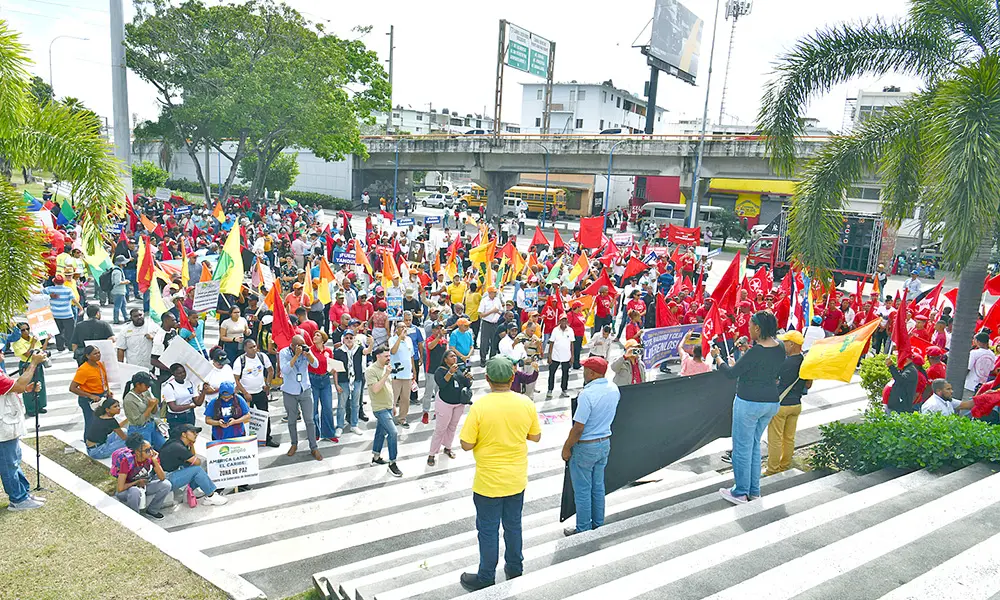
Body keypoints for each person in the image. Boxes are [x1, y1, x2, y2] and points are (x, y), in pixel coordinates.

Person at [458, 356, 541, 591]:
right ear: (513, 377)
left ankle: (486, 576)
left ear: (487, 379)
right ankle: (515, 568)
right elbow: (535, 436)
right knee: (514, 525)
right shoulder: (526, 403)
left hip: (488, 482)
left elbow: (466, 444)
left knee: (488, 529)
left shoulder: (481, 406)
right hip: (516, 479)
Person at [711, 311, 786, 505]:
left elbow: (731, 373)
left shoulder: (756, 351)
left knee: (742, 448)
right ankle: (754, 490)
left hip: (749, 402)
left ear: (758, 328)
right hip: (771, 402)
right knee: (753, 446)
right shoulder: (780, 347)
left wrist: (718, 358)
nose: (748, 329)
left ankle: (740, 492)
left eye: (751, 326)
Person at [561, 357, 619, 536]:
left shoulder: (587, 395)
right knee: (598, 486)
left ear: (592, 373)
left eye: (585, 369)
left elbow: (578, 427)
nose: (583, 372)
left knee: (583, 490)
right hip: (604, 443)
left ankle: (584, 528)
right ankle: (598, 523)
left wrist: (566, 447)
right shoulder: (613, 389)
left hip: (586, 446)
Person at [1, 350, 47, 511]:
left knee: (14, 460)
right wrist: (33, 363)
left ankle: (23, 493)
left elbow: (14, 388)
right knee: (9, 464)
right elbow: (17, 385)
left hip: (7, 426)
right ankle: (18, 499)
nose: (2, 353)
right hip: (3, 429)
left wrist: (26, 388)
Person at [766, 331, 812, 476]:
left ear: (792, 344)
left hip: (781, 404)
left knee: (775, 439)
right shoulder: (806, 362)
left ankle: (772, 469)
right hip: (796, 404)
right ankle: (784, 465)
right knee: (789, 438)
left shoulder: (784, 362)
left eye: (785, 342)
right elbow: (809, 385)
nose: (783, 344)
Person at [157, 424, 228, 506]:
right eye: (193, 432)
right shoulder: (178, 447)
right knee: (198, 470)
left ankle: (191, 490)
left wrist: (192, 445)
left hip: (171, 474)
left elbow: (193, 460)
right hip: (166, 479)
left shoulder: (176, 442)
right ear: (184, 434)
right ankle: (210, 496)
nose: (196, 434)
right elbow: (197, 462)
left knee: (199, 466)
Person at [279, 334, 323, 461]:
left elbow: (316, 365)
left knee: (310, 420)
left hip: (305, 390)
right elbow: (285, 370)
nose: (303, 347)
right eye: (300, 346)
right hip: (289, 391)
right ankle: (294, 444)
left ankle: (314, 447)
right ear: (293, 345)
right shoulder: (284, 352)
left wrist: (308, 355)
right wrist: (296, 356)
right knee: (292, 420)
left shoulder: (306, 351)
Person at [111, 433, 172, 519]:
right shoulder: (127, 461)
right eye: (147, 450)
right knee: (134, 491)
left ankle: (152, 510)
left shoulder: (150, 458)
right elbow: (120, 488)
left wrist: (155, 462)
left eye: (151, 448)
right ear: (137, 452)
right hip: (127, 491)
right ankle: (135, 517)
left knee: (166, 485)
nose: (150, 452)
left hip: (143, 486)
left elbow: (162, 477)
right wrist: (137, 482)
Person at [428, 350, 472, 466]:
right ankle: (432, 454)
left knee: (452, 427)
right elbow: (442, 384)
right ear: (445, 359)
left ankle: (448, 447)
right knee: (440, 429)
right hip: (444, 402)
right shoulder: (440, 371)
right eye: (451, 356)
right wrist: (450, 373)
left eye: (455, 356)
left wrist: (468, 378)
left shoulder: (459, 369)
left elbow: (466, 384)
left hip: (458, 403)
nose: (454, 358)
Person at [365, 346, 403, 477]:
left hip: (387, 406)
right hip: (379, 408)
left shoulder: (386, 368)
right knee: (393, 432)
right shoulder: (371, 371)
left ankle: (376, 456)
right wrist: (386, 374)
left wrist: (393, 405)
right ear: (378, 356)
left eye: (389, 356)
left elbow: (389, 388)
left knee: (380, 432)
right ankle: (393, 463)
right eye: (386, 356)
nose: (388, 358)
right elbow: (375, 389)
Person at [69, 345, 111, 435]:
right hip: (88, 399)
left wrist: (107, 391)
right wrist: (90, 396)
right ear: (88, 356)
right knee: (91, 423)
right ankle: (89, 444)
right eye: (95, 353)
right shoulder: (83, 369)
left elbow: (103, 379)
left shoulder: (100, 364)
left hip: (101, 396)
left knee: (102, 422)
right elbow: (72, 388)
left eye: (99, 353)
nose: (98, 355)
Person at [333, 329, 368, 435]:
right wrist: (336, 384)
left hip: (356, 380)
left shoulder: (358, 348)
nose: (349, 340)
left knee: (356, 403)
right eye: (347, 338)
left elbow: (367, 351)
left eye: (351, 338)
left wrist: (370, 344)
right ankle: (339, 426)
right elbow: (335, 369)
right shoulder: (339, 351)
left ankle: (354, 425)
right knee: (342, 405)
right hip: (344, 380)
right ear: (343, 339)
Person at [11, 323, 48, 417]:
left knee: (40, 384)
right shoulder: (17, 342)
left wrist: (47, 340)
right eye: (23, 330)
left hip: (37, 363)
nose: (26, 332)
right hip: (27, 364)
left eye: (27, 329)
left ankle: (40, 406)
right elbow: (27, 354)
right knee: (28, 385)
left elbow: (41, 349)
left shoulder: (33, 338)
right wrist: (32, 343)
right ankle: (30, 408)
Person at [307, 330, 338, 442]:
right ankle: (315, 433)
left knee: (327, 407)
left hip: (325, 379)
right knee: (313, 408)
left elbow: (331, 366)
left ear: (323, 339)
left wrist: (336, 382)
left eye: (317, 335)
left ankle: (329, 433)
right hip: (313, 379)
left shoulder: (328, 351)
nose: (315, 336)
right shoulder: (310, 350)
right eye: (314, 335)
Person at [122, 371, 165, 451]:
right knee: (145, 452)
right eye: (146, 385)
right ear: (138, 384)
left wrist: (155, 405)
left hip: (151, 424)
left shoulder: (145, 392)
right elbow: (139, 422)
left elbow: (154, 412)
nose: (148, 387)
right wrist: (150, 407)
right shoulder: (129, 400)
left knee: (163, 446)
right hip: (139, 429)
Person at [162, 363, 206, 428]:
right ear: (174, 374)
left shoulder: (190, 383)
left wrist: (204, 391)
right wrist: (189, 405)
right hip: (176, 418)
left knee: (190, 435)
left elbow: (198, 403)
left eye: (183, 372)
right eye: (179, 373)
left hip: (189, 415)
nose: (182, 374)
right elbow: (173, 408)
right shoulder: (169, 387)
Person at [44, 274, 77, 352]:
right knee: (70, 332)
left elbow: (39, 292)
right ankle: (70, 346)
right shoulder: (68, 290)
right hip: (67, 314)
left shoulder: (50, 289)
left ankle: (60, 347)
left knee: (58, 332)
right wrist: (80, 308)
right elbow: (74, 300)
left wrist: (49, 295)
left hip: (55, 314)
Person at [546, 316, 574, 398]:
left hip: (566, 356)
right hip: (555, 356)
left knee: (565, 374)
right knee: (552, 373)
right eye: (562, 320)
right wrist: (549, 356)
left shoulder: (570, 330)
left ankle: (564, 389)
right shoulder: (555, 330)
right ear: (559, 321)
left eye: (565, 320)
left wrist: (572, 356)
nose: (564, 322)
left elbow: (572, 344)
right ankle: (550, 389)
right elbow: (551, 343)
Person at [965, 332, 996, 397]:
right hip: (982, 387)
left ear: (978, 341)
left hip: (969, 385)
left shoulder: (974, 353)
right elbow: (992, 369)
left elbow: (968, 368)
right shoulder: (992, 355)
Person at [478, 287, 504, 364]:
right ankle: (483, 359)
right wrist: (492, 311)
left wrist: (498, 312)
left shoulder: (497, 300)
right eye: (494, 292)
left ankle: (492, 359)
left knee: (494, 342)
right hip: (486, 323)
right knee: (484, 342)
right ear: (489, 293)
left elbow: (501, 311)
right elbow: (481, 315)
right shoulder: (484, 301)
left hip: (495, 323)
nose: (495, 294)